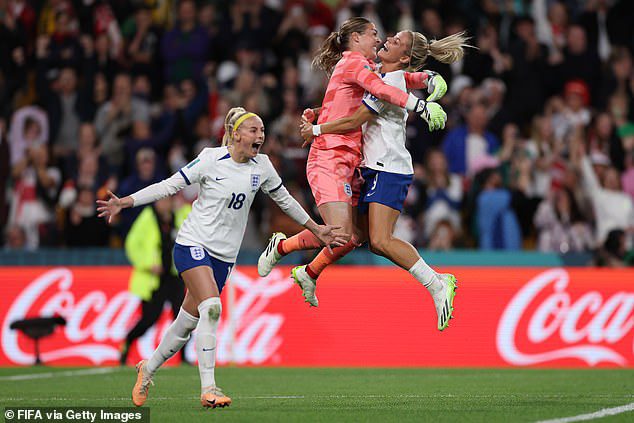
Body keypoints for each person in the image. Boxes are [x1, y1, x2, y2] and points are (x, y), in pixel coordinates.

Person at [96, 107, 346, 409]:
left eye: (262, 131)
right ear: (236, 134)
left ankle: (147, 369)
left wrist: (316, 228)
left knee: (185, 325)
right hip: (191, 244)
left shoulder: (262, 166)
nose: (260, 136)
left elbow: (285, 201)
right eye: (254, 130)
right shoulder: (210, 159)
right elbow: (169, 185)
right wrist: (125, 202)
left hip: (224, 258)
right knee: (212, 308)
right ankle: (209, 388)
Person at [258, 18, 459, 307]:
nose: (381, 40)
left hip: (369, 164)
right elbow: (373, 96)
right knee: (351, 235)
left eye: (389, 38)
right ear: (355, 38)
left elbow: (382, 89)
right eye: (375, 35)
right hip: (344, 159)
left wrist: (426, 77)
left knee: (360, 237)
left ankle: (308, 270)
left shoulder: (376, 72)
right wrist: (422, 99)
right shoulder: (360, 67)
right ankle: (298, 260)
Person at [119, 196, 191, 366]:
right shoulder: (148, 217)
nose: (166, 204)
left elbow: (193, 217)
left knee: (184, 317)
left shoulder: (178, 215)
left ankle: (184, 357)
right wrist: (148, 264)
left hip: (175, 276)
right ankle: (127, 344)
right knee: (149, 319)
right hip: (155, 280)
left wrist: (184, 205)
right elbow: (132, 244)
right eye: (163, 201)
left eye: (169, 200)